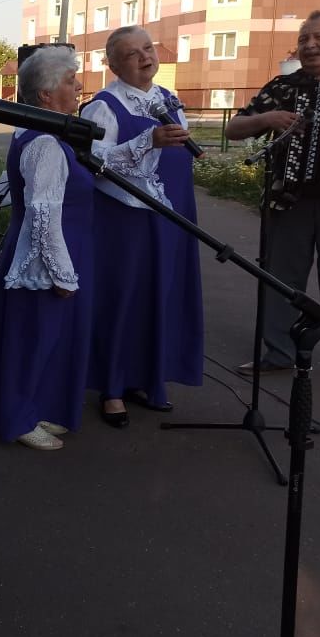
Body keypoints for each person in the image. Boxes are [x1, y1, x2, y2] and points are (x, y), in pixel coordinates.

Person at [224, 11, 320, 396]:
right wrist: (269, 117)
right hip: (290, 198)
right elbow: (234, 128)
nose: (309, 45)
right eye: (304, 38)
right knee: (280, 279)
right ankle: (278, 352)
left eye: (319, 37)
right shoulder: (284, 86)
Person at [0, 47, 93, 450]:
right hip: (43, 252)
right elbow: (43, 215)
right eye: (71, 80)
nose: (79, 85)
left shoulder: (42, 133)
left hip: (43, 247)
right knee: (31, 336)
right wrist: (62, 274)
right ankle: (17, 418)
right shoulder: (45, 144)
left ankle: (26, 406)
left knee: (37, 335)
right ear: (47, 95)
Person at [80, 26, 204, 427]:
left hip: (169, 215)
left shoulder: (168, 99)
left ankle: (148, 380)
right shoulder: (103, 106)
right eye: (132, 53)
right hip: (124, 221)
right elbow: (94, 163)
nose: (145, 57)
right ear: (114, 64)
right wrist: (147, 141)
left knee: (160, 295)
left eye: (148, 48)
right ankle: (112, 387)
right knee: (123, 298)